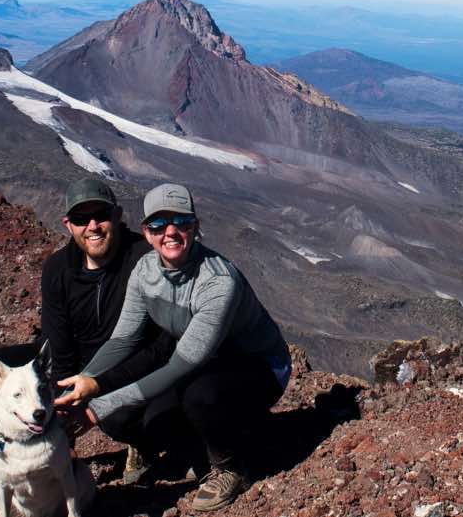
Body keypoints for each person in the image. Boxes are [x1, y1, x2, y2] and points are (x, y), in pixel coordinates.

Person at [56, 183, 291, 512]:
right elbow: (124, 339)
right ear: (146, 233)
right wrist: (85, 381)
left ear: (195, 226)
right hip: (208, 361)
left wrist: (97, 406)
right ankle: (224, 437)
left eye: (181, 222)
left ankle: (231, 467)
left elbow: (182, 364)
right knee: (154, 420)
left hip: (259, 365)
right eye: (158, 225)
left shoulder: (218, 281)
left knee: (200, 397)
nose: (170, 232)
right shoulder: (145, 272)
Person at [0, 178, 173, 472]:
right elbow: (57, 343)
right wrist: (66, 399)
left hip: (129, 366)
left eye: (101, 216)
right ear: (68, 224)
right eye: (81, 219)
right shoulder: (58, 268)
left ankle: (143, 445)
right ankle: (36, 454)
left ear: (117, 216)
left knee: (117, 417)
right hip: (76, 362)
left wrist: (96, 387)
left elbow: (160, 342)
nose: (92, 226)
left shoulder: (143, 258)